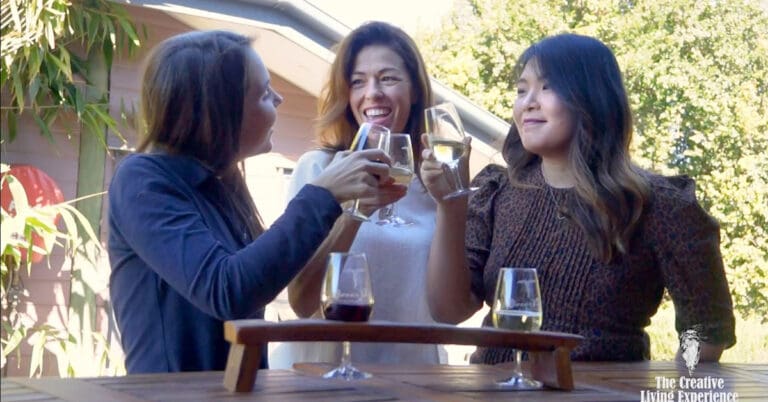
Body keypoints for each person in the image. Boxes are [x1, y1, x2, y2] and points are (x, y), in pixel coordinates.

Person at [420, 33, 736, 362]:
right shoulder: (498, 191)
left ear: (592, 97)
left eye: (547, 87)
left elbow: (709, 330)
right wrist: (449, 204)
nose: (528, 101)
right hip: (493, 393)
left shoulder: (658, 204)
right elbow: (449, 310)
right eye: (521, 89)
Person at [107, 30, 397, 373]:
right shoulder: (143, 180)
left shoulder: (221, 181)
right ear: (218, 111)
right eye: (262, 93)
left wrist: (353, 211)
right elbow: (228, 291)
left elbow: (259, 277)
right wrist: (323, 193)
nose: (278, 99)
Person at [281, 21, 442, 365]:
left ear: (414, 92)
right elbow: (301, 301)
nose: (372, 93)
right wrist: (354, 211)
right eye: (358, 81)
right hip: (323, 374)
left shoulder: (435, 185)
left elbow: (448, 309)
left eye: (388, 78)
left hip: (412, 376)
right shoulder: (317, 170)